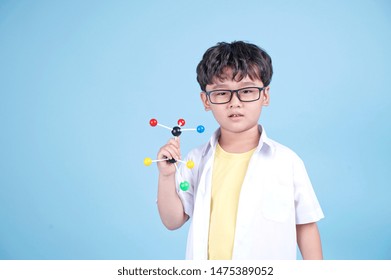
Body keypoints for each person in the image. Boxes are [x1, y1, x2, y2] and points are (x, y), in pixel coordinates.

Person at [156, 41, 324, 260]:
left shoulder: (287, 162)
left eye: (246, 91)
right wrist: (166, 176)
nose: (234, 103)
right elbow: (172, 221)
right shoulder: (195, 160)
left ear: (265, 95)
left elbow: (305, 226)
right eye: (221, 93)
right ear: (206, 100)